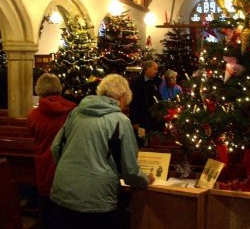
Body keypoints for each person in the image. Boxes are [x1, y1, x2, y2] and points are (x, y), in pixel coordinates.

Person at [50, 74, 154, 229]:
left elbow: (55, 148)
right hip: (96, 199)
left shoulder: (76, 112)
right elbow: (130, 170)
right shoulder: (120, 121)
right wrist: (145, 179)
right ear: (122, 97)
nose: (124, 107)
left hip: (62, 191)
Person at [27, 73, 76, 229]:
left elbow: (33, 134)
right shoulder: (73, 110)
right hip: (68, 168)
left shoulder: (33, 115)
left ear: (39, 89)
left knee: (48, 214)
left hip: (43, 165)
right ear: (58, 88)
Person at [129, 60, 163, 137]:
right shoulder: (137, 83)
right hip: (141, 119)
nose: (156, 71)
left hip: (153, 120)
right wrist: (134, 122)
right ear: (147, 68)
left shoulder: (155, 82)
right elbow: (133, 103)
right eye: (155, 69)